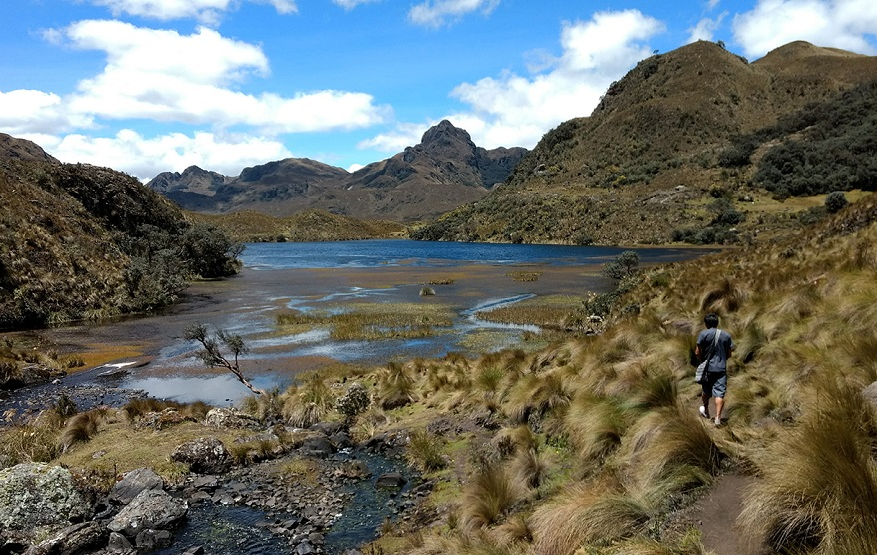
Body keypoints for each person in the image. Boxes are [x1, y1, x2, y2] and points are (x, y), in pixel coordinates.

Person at [695, 313, 734, 426]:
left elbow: (697, 352)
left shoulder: (703, 334)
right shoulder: (726, 335)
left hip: (707, 368)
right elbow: (729, 354)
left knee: (706, 390)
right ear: (717, 323)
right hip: (721, 369)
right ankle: (717, 418)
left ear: (706, 324)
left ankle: (706, 410)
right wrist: (722, 360)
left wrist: (702, 360)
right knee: (719, 394)